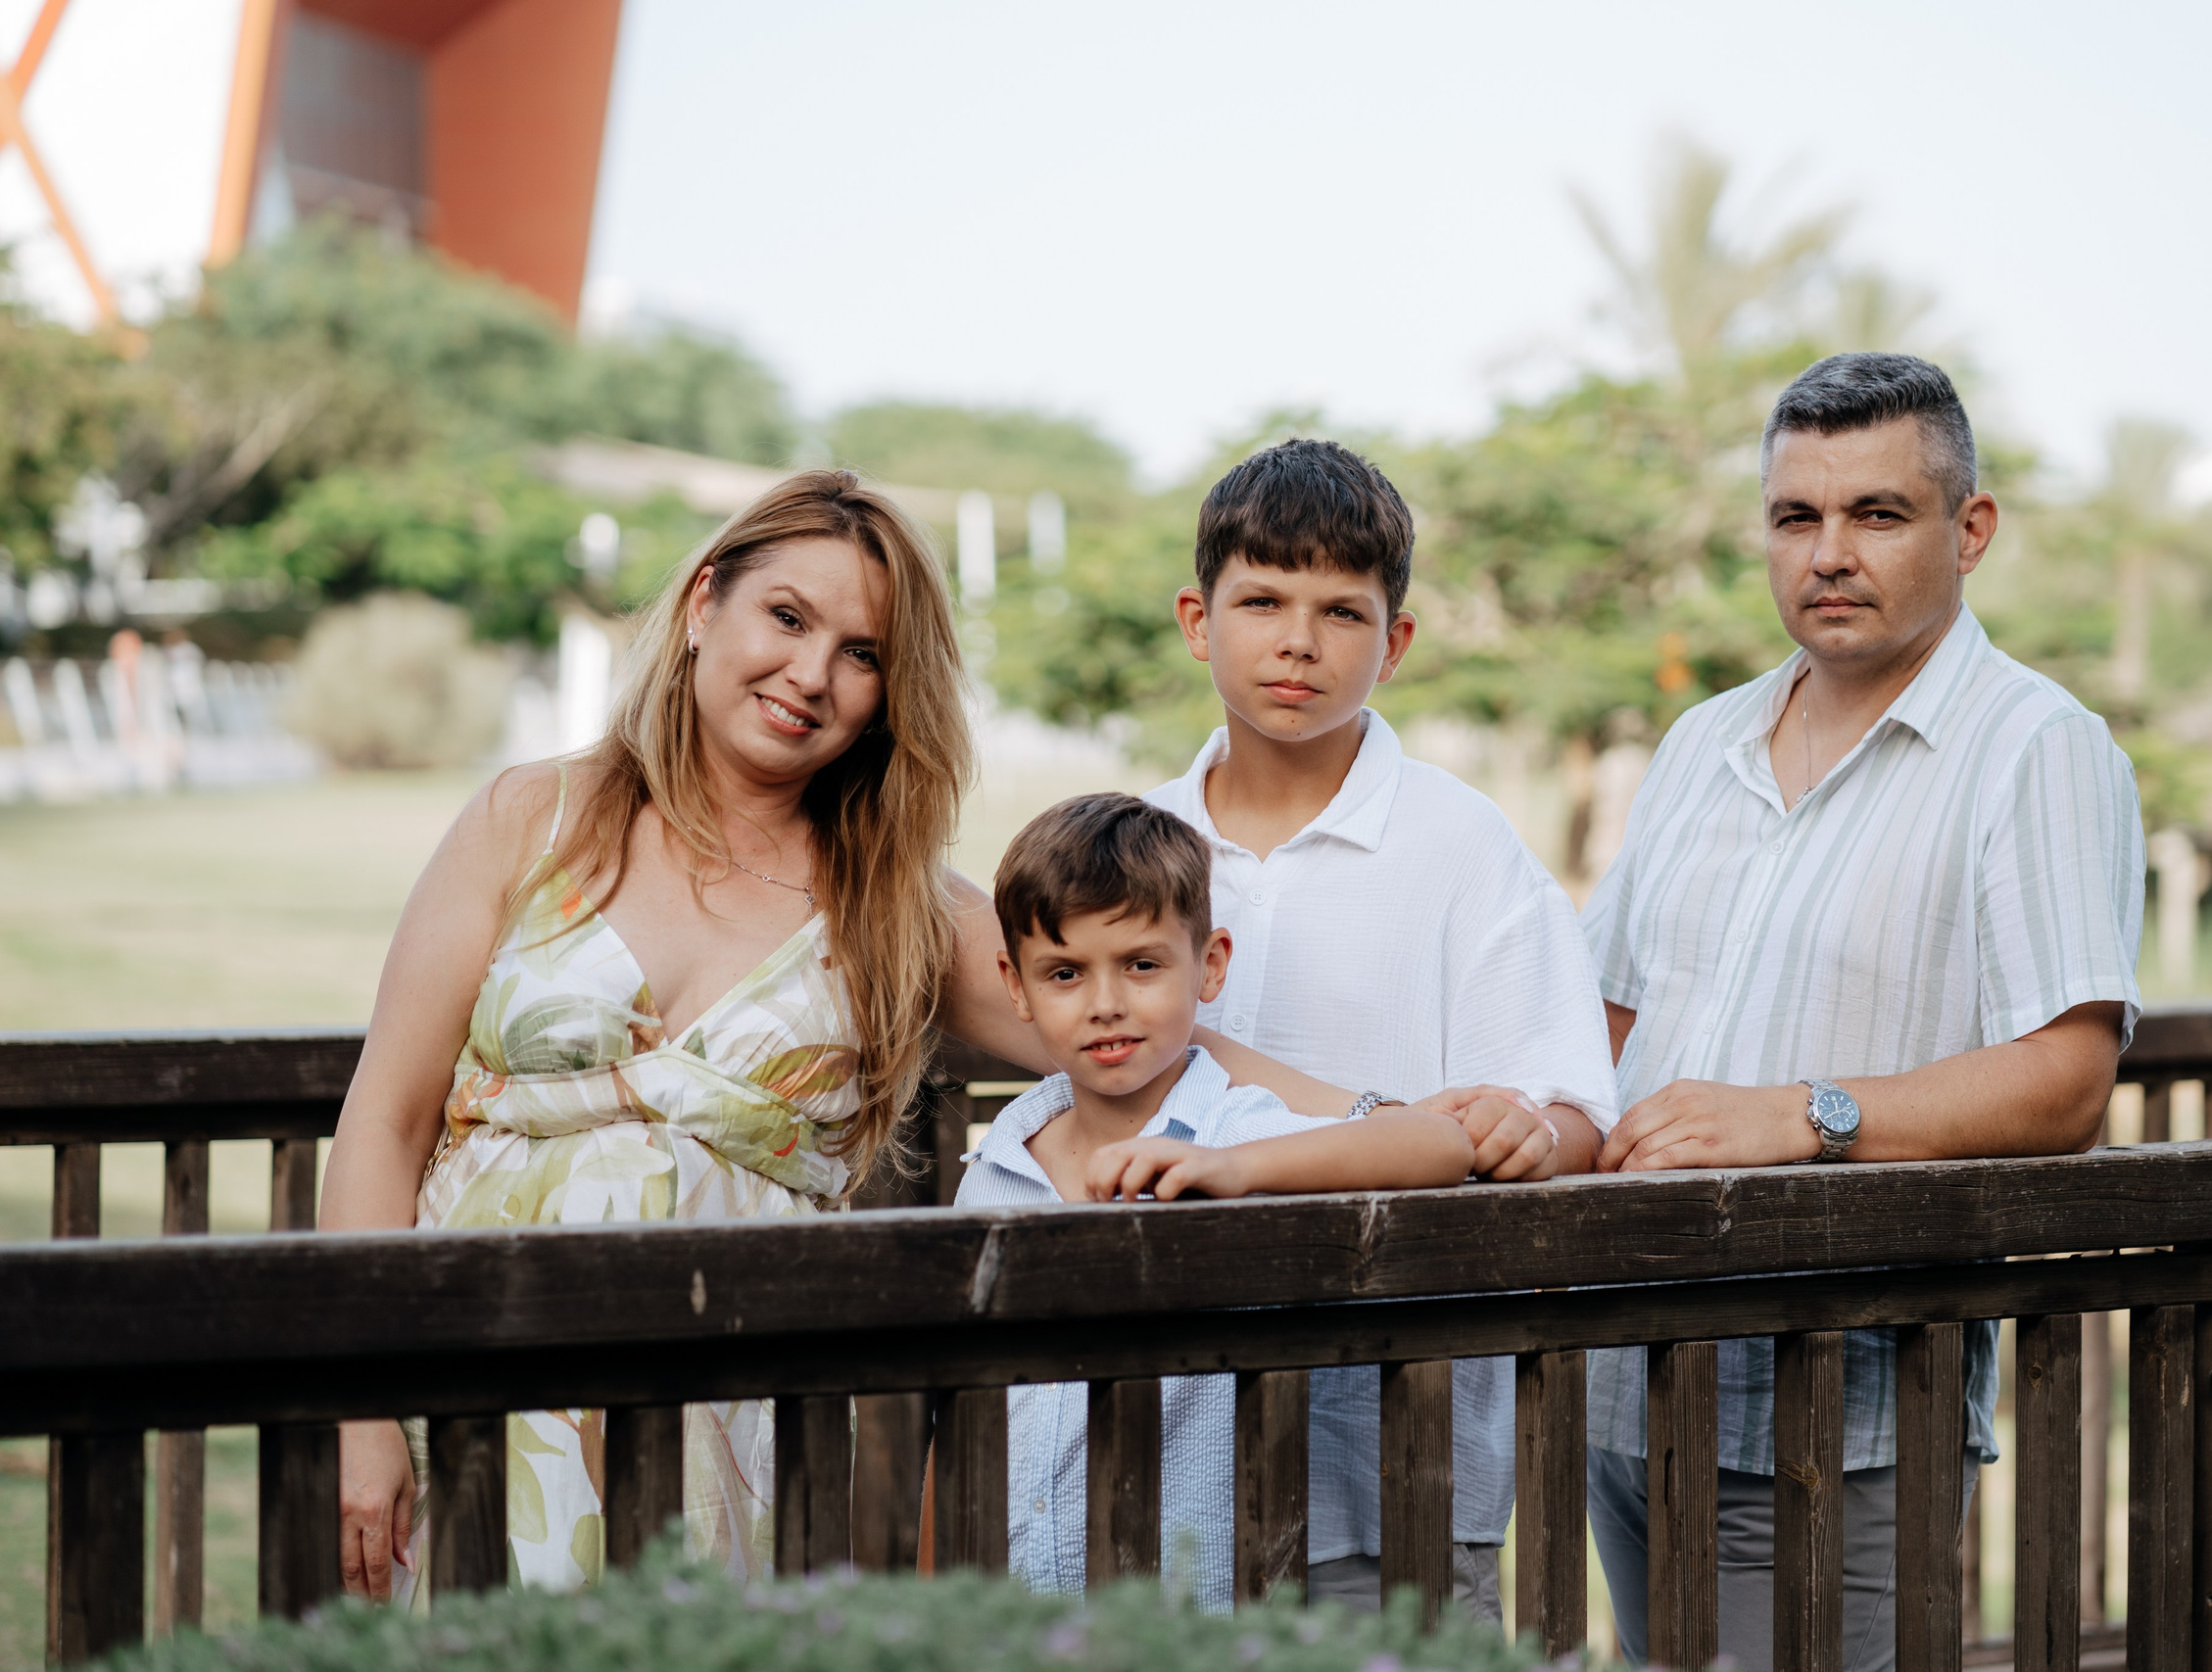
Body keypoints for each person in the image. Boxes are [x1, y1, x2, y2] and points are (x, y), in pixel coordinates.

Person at [317, 471, 1458, 1601]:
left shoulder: (894, 906)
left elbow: (1141, 1026)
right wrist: (366, 1415)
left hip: (736, 1416)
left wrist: (1388, 1125)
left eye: (862, 654)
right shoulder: (535, 816)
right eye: (787, 617)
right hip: (471, 1374)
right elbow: (386, 1117)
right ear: (706, 598)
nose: (811, 675)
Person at [1580, 354, 2145, 1671]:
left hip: (1835, 1402)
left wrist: (1801, 1116)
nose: (1829, 553)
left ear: (1970, 529)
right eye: (1797, 517)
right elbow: (1603, 1020)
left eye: (1877, 514)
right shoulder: (1700, 741)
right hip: (1618, 1373)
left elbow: (2066, 1075)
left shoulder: (2035, 745)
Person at [1142, 438, 1621, 1624]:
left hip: (1398, 1446)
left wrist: (1526, 1135)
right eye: (1260, 600)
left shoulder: (1464, 850)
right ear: (1199, 621)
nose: (1296, 640)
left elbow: (1571, 1111)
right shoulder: (1134, 845)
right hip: (1158, 1434)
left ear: (1392, 643)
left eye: (1340, 611)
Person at [955, 792, 1474, 1610]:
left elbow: (1440, 1144)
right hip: (1012, 1612)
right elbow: (961, 1411)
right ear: (1014, 986)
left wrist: (1234, 1168)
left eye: (1142, 964)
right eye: (1064, 972)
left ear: (1212, 964)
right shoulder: (997, 1162)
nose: (1105, 1003)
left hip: (1189, 1616)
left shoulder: (1234, 1130)